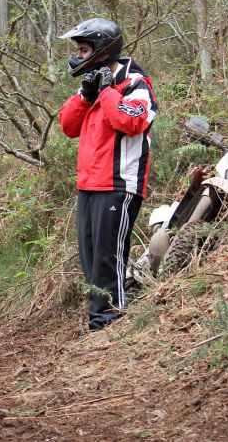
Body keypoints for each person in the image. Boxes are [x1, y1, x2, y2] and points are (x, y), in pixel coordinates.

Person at [58, 18, 157, 331]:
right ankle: (99, 318)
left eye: (84, 49)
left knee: (107, 256)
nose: (78, 54)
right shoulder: (93, 83)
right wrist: (86, 96)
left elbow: (133, 121)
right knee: (89, 257)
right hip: (88, 183)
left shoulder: (136, 84)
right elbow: (68, 126)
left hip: (118, 184)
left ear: (101, 50)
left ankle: (109, 318)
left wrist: (107, 92)